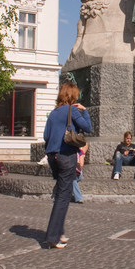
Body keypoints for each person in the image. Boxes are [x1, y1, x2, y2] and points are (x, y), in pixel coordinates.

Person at [44, 82, 91, 248]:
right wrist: (85, 112)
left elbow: (46, 136)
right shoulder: (72, 111)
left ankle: (59, 232)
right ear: (73, 96)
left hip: (52, 156)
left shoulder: (53, 113)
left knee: (61, 194)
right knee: (64, 197)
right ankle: (53, 237)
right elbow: (88, 128)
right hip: (66, 155)